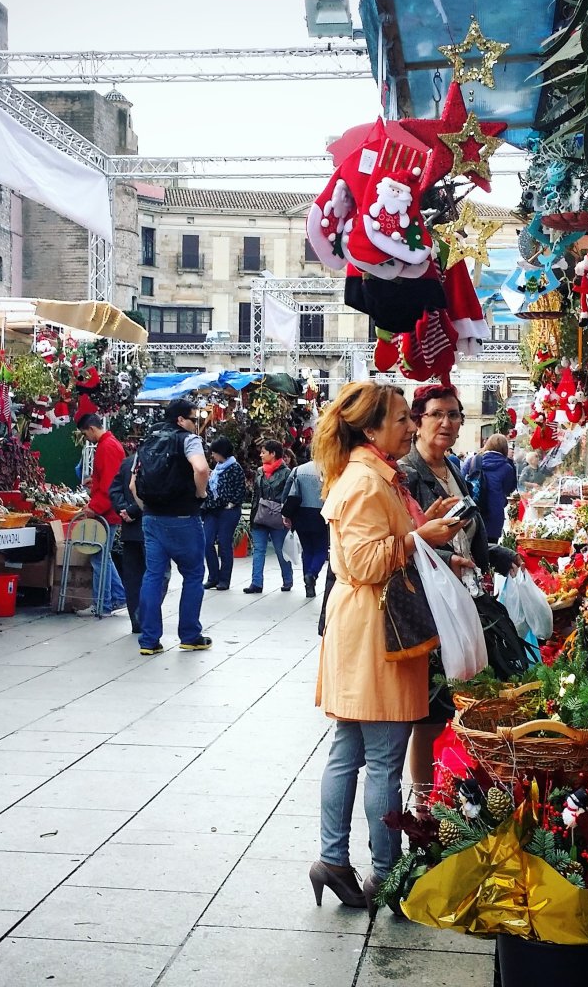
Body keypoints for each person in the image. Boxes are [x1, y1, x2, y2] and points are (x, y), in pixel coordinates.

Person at [308, 382, 462, 914]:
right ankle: (386, 873)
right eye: (401, 419)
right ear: (371, 429)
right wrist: (425, 539)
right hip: (376, 631)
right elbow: (365, 563)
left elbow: (383, 547)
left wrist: (425, 531)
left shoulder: (377, 475)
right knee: (382, 760)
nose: (410, 426)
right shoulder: (367, 481)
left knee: (348, 749)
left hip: (365, 626)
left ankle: (333, 859)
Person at [400, 384, 522, 789]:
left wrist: (496, 554)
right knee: (431, 716)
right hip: (432, 605)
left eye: (454, 415)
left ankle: (462, 791)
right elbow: (410, 540)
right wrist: (447, 561)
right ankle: (421, 801)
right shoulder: (408, 473)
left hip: (466, 595)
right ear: (418, 421)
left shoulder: (452, 468)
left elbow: (463, 531)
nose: (446, 423)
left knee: (467, 701)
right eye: (437, 414)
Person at [130, 398, 212, 656]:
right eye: (192, 419)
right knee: (194, 574)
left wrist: (147, 509)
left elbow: (133, 485)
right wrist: (200, 493)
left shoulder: (148, 439)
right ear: (180, 420)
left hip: (152, 519)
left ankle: (149, 640)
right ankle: (189, 635)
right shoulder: (187, 439)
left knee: (153, 576)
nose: (195, 424)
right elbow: (201, 468)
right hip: (183, 518)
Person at [75, 413, 128, 617]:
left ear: (91, 429)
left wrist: (93, 508)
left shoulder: (107, 447)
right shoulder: (110, 445)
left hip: (106, 511)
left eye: (84, 434)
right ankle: (117, 597)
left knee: (99, 558)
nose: (86, 438)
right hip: (108, 509)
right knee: (103, 556)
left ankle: (102, 604)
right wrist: (93, 482)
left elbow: (109, 486)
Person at [244, 439, 294, 593]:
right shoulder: (260, 471)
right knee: (258, 550)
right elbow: (255, 495)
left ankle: (287, 579)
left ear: (273, 454)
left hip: (277, 516)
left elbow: (290, 496)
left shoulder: (287, 473)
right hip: (260, 515)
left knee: (280, 550)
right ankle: (256, 583)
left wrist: (289, 516)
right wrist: (252, 516)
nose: (261, 455)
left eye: (264, 452)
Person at [201, 435, 246, 591]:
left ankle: (224, 579)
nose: (212, 456)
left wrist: (231, 503)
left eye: (215, 452)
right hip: (211, 510)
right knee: (207, 542)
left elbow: (240, 491)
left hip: (228, 511)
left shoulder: (234, 468)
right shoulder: (215, 470)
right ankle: (213, 576)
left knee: (224, 543)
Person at [108, 452, 145, 635]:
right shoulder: (157, 460)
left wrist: (123, 510)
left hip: (130, 531)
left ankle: (136, 620)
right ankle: (146, 617)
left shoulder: (127, 462)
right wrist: (131, 511)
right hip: (149, 528)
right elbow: (152, 494)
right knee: (156, 576)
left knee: (133, 578)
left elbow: (113, 489)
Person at [281, 454, 328, 598]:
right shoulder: (329, 470)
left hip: (300, 513)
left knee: (307, 549)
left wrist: (286, 514)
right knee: (321, 549)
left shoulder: (297, 470)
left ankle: (308, 584)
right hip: (321, 513)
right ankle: (312, 574)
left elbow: (286, 494)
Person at [462, 433, 518, 543]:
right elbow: (508, 490)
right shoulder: (507, 467)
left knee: (470, 549)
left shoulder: (472, 460)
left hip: (472, 512)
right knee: (491, 550)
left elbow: (461, 481)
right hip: (494, 514)